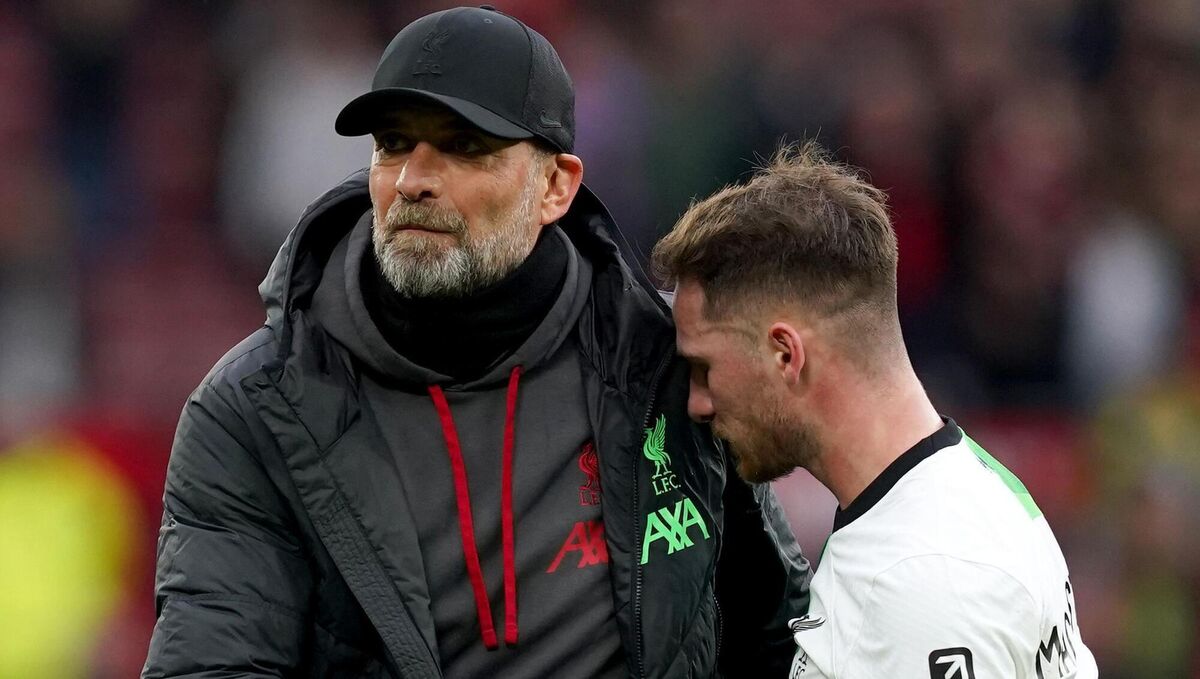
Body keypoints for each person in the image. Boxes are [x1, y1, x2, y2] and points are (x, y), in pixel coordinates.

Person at [141, 6, 809, 679]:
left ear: (555, 187)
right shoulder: (257, 409)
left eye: (463, 147)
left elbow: (783, 634)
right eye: (394, 144)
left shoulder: (667, 362)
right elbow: (210, 664)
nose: (413, 180)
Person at [652, 144, 1098, 679]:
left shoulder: (918, 580)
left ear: (785, 354)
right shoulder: (970, 485)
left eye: (705, 368)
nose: (698, 403)